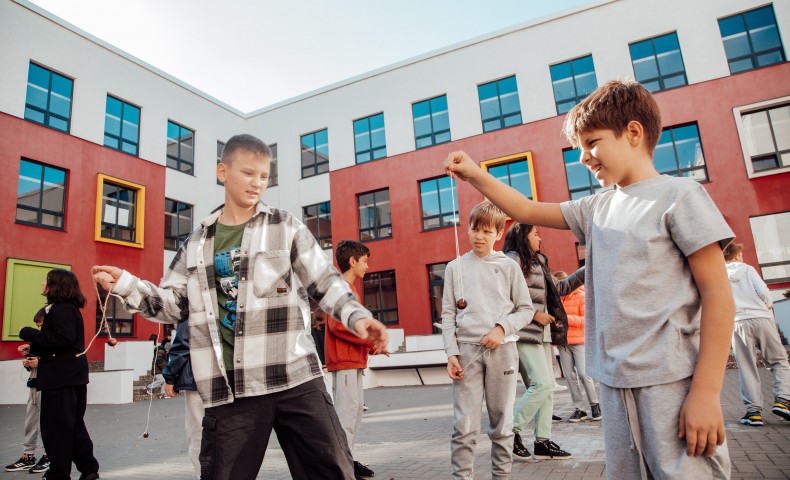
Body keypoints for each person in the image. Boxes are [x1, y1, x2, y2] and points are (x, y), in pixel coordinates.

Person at [444, 80, 734, 478]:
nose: (582, 157)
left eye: (592, 142)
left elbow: (719, 296)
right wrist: (475, 174)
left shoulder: (680, 196)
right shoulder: (595, 207)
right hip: (613, 386)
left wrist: (707, 393)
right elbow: (525, 207)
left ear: (633, 133)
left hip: (672, 382)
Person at [92, 133, 388, 480]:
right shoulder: (197, 243)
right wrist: (126, 285)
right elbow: (172, 305)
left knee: (333, 473)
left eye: (264, 176)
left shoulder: (284, 226)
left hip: (295, 378)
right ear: (223, 172)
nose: (257, 183)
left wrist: (358, 317)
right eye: (248, 173)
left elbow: (324, 282)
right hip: (231, 390)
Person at [442, 201, 533, 480]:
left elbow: (526, 309)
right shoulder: (454, 267)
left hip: (503, 352)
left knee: (502, 425)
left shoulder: (509, 266)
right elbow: (447, 314)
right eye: (474, 229)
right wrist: (451, 353)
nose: (478, 236)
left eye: (485, 231)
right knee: (464, 426)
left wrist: (502, 329)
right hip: (466, 355)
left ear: (498, 232)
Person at [503, 222, 582, 460]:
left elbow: (558, 288)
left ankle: (542, 442)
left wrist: (587, 270)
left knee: (546, 391)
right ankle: (510, 432)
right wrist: (534, 314)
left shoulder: (537, 261)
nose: (539, 238)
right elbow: (504, 297)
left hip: (543, 334)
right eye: (535, 234)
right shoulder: (512, 260)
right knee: (543, 385)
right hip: (526, 332)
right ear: (523, 237)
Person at [19, 269, 100, 480]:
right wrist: (34, 348)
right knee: (72, 426)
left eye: (45, 281)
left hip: (62, 378)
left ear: (56, 285)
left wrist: (29, 332)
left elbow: (63, 338)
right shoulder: (66, 309)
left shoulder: (62, 309)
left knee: (56, 428)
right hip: (69, 376)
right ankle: (89, 469)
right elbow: (64, 343)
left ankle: (58, 474)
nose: (41, 284)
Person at [324, 240, 377, 479]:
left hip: (353, 360)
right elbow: (338, 325)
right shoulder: (340, 288)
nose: (367, 265)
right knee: (346, 415)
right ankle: (340, 467)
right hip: (344, 361)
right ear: (352, 261)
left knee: (355, 412)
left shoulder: (350, 289)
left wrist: (371, 345)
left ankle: (347, 459)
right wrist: (369, 339)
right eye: (364, 261)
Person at [723, 242, 790, 426]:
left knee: (747, 367)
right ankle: (783, 400)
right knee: (779, 360)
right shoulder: (747, 270)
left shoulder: (719, 274)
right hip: (761, 318)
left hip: (738, 323)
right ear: (736, 255)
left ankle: (753, 413)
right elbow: (764, 293)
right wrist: (766, 306)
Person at [5, 308, 50, 474]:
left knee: (46, 423)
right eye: (37, 326)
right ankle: (28, 456)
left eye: (41, 326)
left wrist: (40, 364)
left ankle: (49, 455)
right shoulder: (39, 342)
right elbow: (36, 363)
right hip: (33, 385)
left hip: (47, 388)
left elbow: (60, 363)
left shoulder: (57, 341)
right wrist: (29, 361)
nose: (39, 330)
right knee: (30, 423)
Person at [553, 271, 601, 423]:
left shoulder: (581, 296)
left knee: (583, 373)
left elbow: (586, 320)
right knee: (569, 376)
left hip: (579, 341)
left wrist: (566, 319)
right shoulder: (555, 301)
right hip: (563, 342)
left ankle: (595, 405)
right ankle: (579, 409)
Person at [163, 320, 203, 477]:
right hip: (232, 380)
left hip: (198, 379)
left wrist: (170, 377)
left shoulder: (194, 301)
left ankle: (204, 475)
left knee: (198, 433)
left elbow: (183, 344)